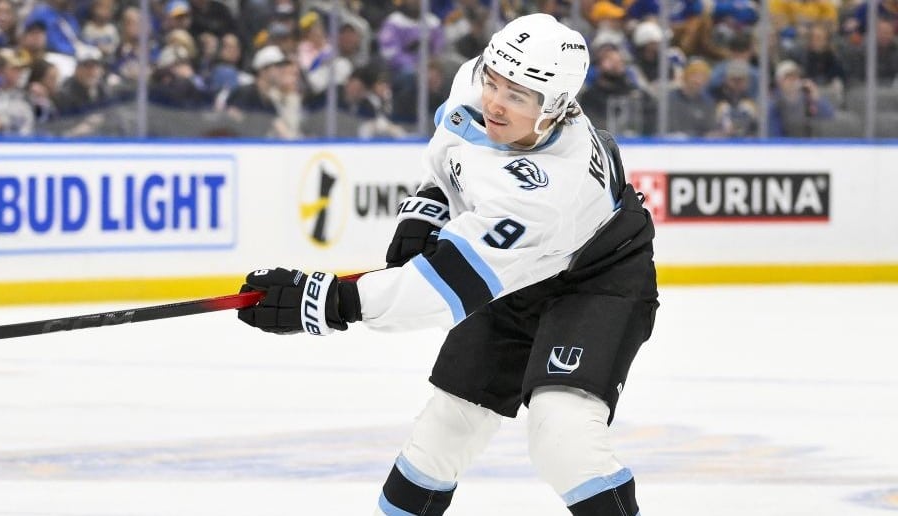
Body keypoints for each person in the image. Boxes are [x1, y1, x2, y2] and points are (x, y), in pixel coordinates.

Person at [235, 13, 659, 516]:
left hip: (595, 281)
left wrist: (329, 301)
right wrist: (429, 202)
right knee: (444, 430)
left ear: (558, 109)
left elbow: (441, 291)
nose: (495, 103)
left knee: (562, 436)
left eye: (519, 96)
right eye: (494, 81)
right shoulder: (475, 84)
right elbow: (450, 150)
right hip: (523, 268)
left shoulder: (546, 197)